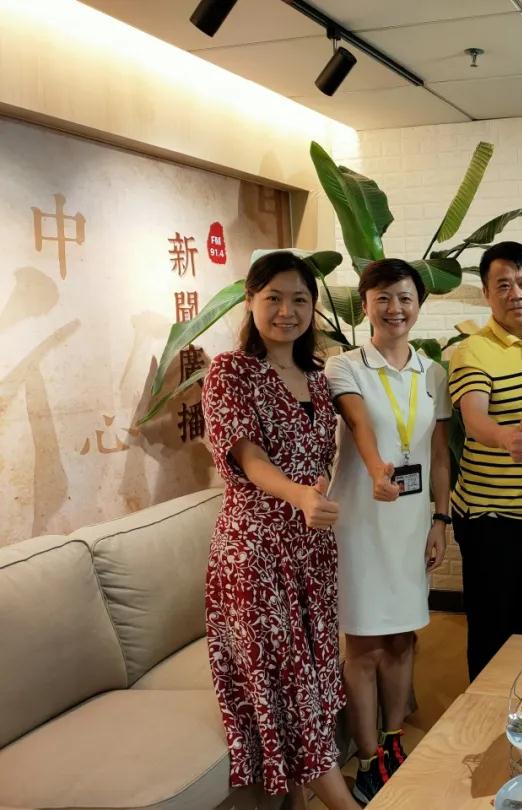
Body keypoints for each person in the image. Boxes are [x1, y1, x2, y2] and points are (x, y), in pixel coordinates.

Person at [201, 251, 356, 809]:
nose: (286, 311)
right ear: (250, 301)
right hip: (256, 553)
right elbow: (249, 459)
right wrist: (300, 495)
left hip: (311, 549)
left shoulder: (318, 377)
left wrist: (319, 484)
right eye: (273, 298)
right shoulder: (230, 372)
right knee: (291, 685)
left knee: (314, 672)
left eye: (299, 300)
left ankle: (295, 799)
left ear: (313, 307)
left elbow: (318, 455)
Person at [324, 259, 451, 804]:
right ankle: (366, 755)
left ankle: (394, 741)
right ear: (366, 305)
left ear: (418, 305)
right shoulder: (344, 366)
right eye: (383, 298)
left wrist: (441, 519)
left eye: (405, 298)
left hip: (410, 522)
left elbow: (438, 454)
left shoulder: (433, 372)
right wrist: (378, 470)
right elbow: (358, 423)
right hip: (359, 520)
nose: (395, 309)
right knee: (363, 644)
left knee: (402, 639)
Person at [448, 241, 522, 680]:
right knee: (491, 628)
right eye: (504, 285)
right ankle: (482, 710)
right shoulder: (473, 350)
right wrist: (504, 437)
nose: (516, 294)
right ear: (487, 293)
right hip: (489, 515)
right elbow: (474, 417)